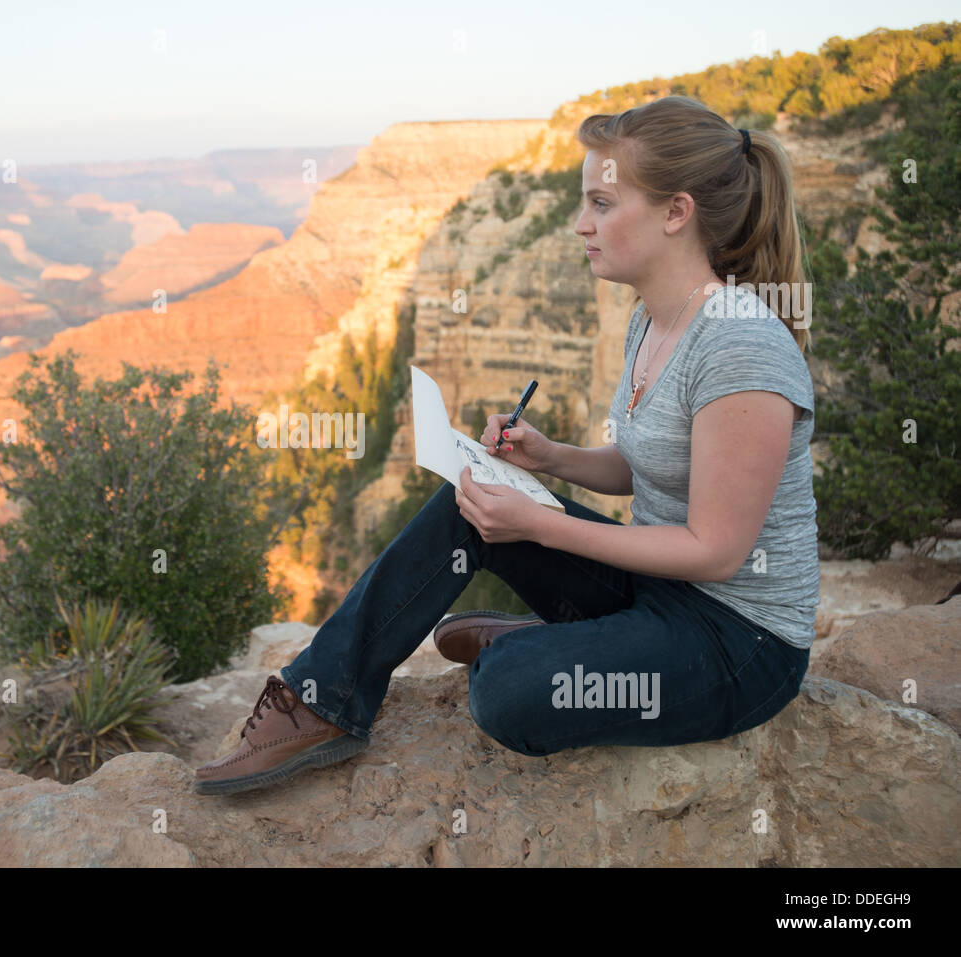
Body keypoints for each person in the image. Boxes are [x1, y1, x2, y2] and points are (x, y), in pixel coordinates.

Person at [195, 95, 818, 797]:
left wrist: (542, 524)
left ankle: (529, 646)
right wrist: (548, 459)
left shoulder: (740, 346)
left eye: (603, 205)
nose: (580, 224)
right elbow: (648, 467)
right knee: (471, 497)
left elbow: (716, 548)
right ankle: (320, 699)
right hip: (661, 592)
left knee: (507, 691)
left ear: (677, 212)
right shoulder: (654, 320)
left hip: (738, 641)